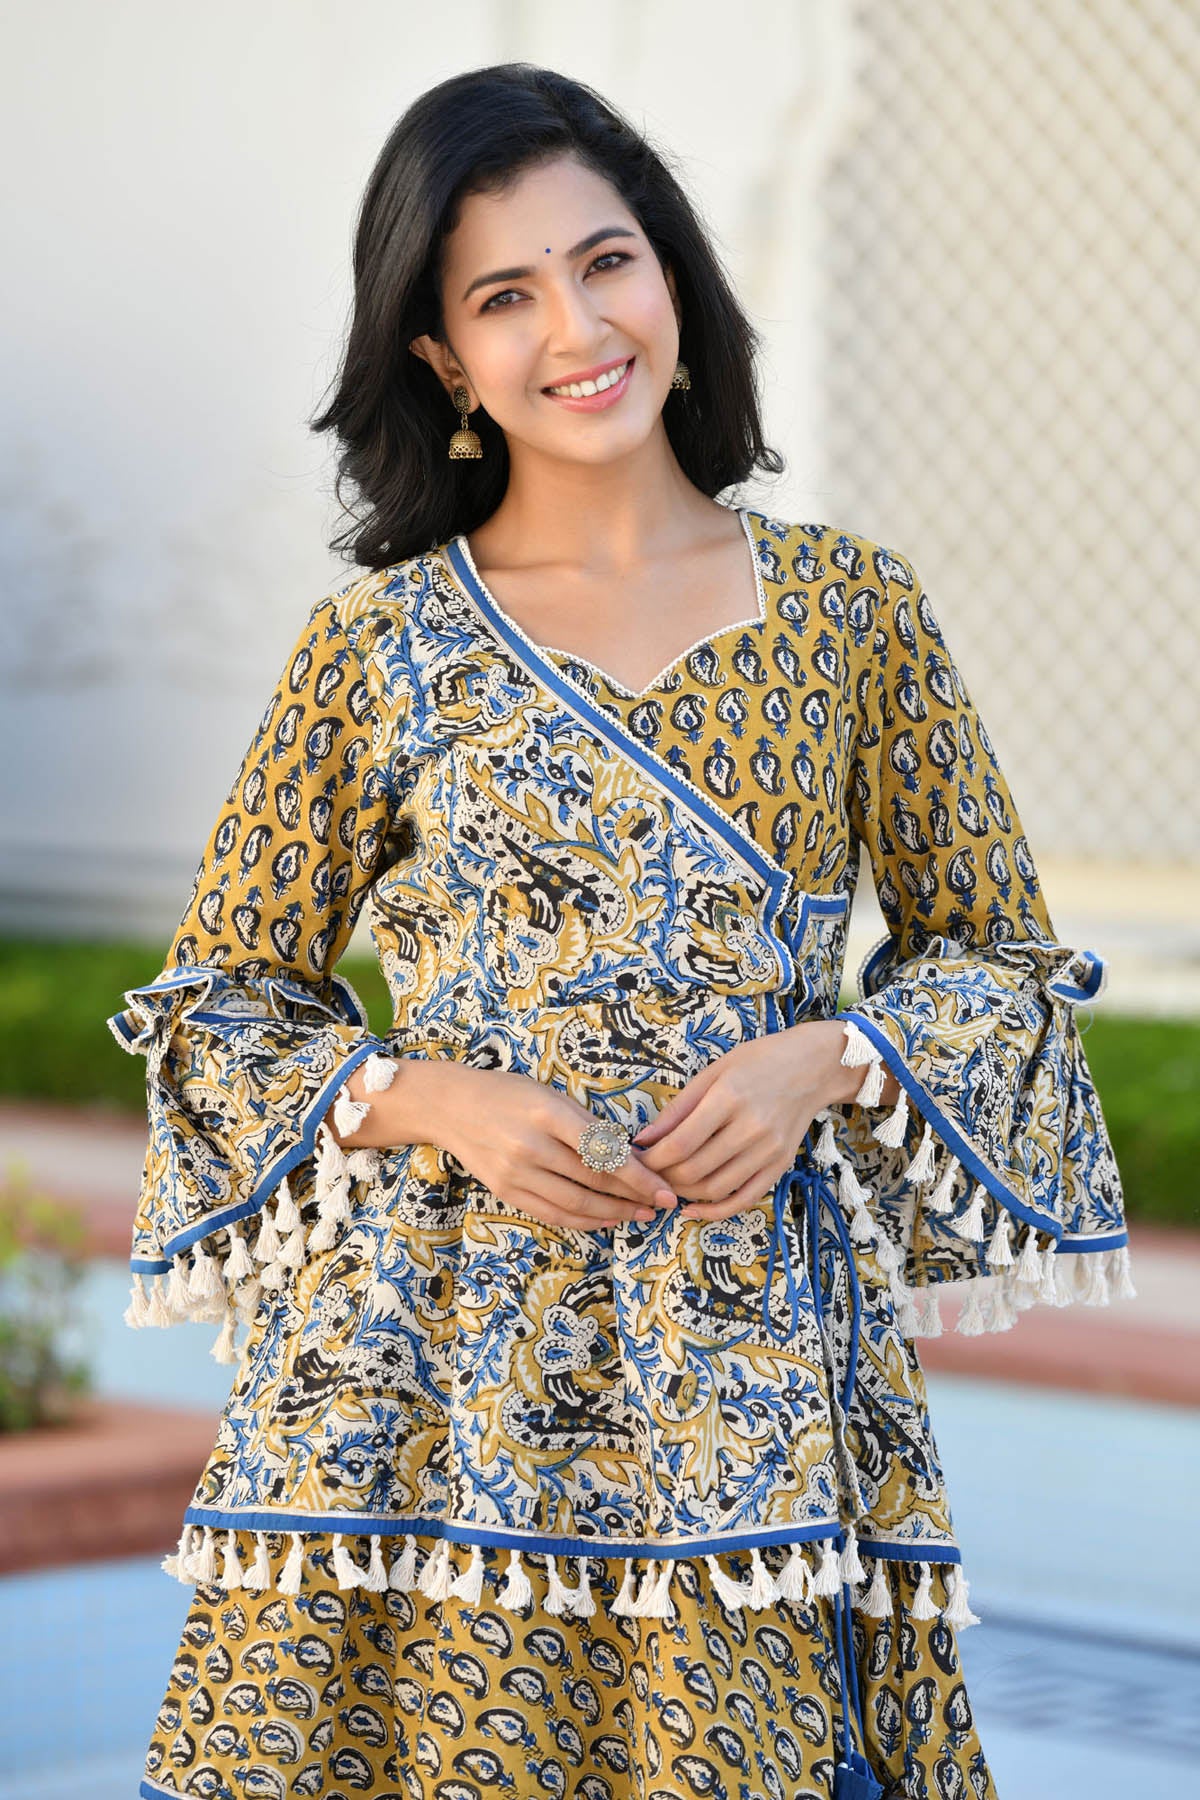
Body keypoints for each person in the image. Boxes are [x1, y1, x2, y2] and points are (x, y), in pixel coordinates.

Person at [109, 62, 1130, 1800]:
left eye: (606, 263)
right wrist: (431, 1098)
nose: (577, 330)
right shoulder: (376, 651)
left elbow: (1001, 963)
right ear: (442, 358)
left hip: (747, 1361)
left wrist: (832, 1060)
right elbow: (220, 1003)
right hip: (420, 1376)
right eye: (504, 296)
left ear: (672, 276)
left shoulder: (850, 616)